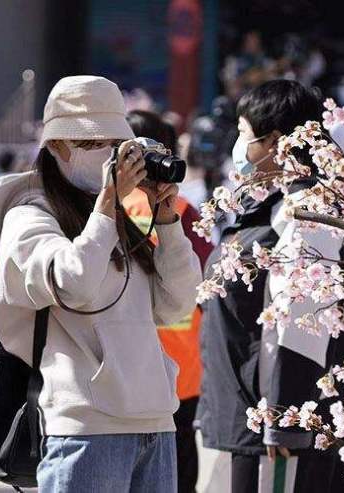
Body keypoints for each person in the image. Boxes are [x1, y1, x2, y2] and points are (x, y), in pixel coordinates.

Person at [0, 76, 201, 492]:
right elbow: (72, 284)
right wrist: (104, 209)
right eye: (88, 142)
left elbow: (177, 305)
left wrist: (168, 222)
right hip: (85, 426)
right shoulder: (29, 216)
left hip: (155, 420)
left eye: (112, 144)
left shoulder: (116, 218)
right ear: (56, 146)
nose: (103, 154)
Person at [198, 80, 344, 492]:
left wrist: (286, 419)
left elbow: (304, 324)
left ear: (276, 142)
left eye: (245, 134)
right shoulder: (272, 207)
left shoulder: (306, 216)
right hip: (250, 418)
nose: (238, 145)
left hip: (276, 429)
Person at [124, 110, 213, 493]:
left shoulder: (106, 206)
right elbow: (209, 274)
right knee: (178, 462)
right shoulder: (182, 211)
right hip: (181, 366)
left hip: (128, 362)